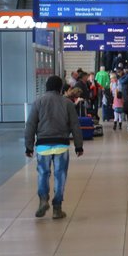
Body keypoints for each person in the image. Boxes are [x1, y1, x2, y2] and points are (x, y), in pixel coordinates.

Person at [24, 75, 84, 219]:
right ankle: (57, 208)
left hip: (43, 145)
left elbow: (30, 125)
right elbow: (75, 125)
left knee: (43, 174)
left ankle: (43, 199)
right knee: (60, 175)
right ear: (60, 88)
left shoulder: (38, 102)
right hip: (61, 145)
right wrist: (78, 146)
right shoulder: (67, 103)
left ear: (46, 87)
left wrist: (29, 146)